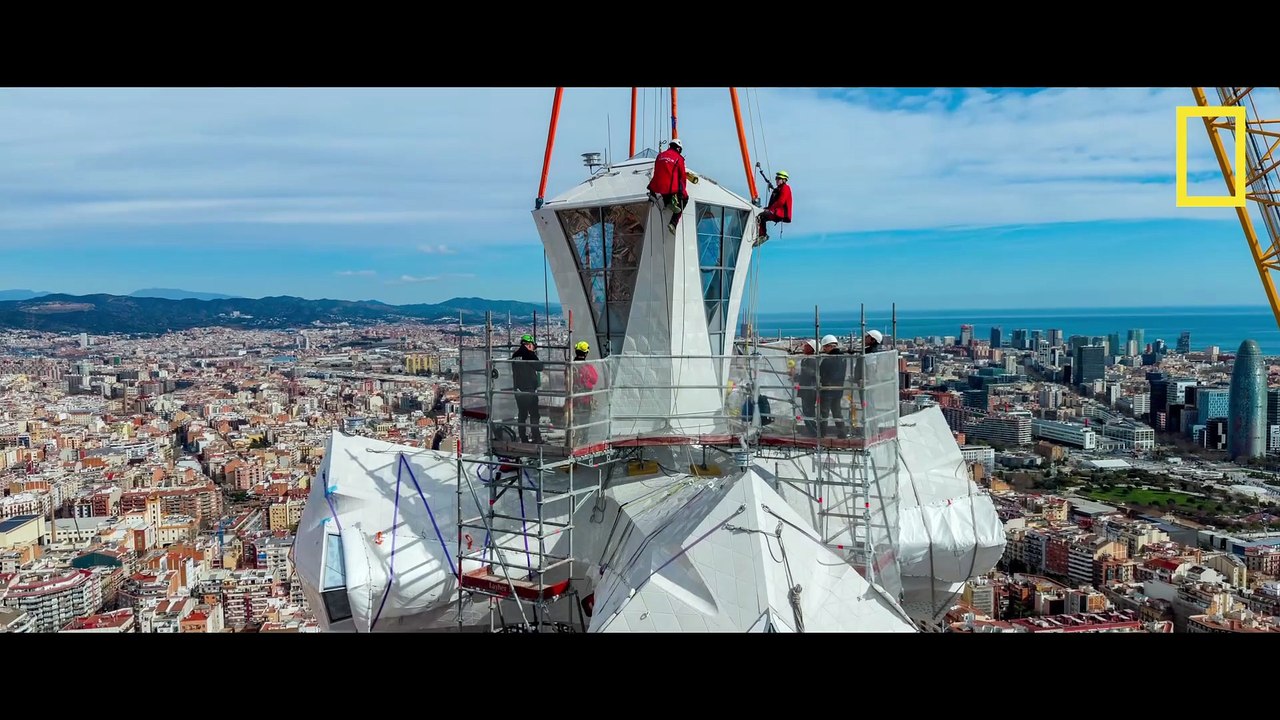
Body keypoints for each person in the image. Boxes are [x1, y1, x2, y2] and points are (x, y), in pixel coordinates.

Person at [647, 138, 698, 234]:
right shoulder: (679, 158)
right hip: (669, 188)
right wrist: (682, 192)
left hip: (657, 187)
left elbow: (657, 171)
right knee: (684, 199)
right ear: (679, 149)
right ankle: (673, 223)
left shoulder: (659, 156)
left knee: (666, 192)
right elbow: (682, 177)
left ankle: (668, 203)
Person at [511, 334, 544, 444]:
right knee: (534, 415)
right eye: (532, 345)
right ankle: (537, 438)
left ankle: (523, 438)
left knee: (522, 415)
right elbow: (540, 367)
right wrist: (532, 354)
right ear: (529, 345)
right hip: (529, 389)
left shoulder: (515, 355)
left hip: (518, 390)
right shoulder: (528, 354)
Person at [817, 334, 848, 439]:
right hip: (838, 389)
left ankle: (821, 433)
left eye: (825, 347)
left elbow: (820, 373)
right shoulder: (843, 358)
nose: (824, 349)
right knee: (837, 412)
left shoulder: (827, 360)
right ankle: (842, 433)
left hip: (827, 389)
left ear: (830, 346)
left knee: (824, 413)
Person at [570, 340, 599, 444]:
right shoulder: (587, 367)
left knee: (573, 422)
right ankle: (584, 441)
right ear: (586, 353)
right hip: (585, 399)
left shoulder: (571, 366)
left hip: (573, 399)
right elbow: (594, 379)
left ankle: (573, 441)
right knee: (585, 421)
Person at [790, 339, 819, 437]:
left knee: (808, 411)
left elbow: (809, 374)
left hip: (809, 390)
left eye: (806, 346)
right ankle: (811, 430)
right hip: (807, 389)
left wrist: (796, 375)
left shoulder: (811, 360)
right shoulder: (806, 360)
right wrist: (795, 376)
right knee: (807, 411)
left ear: (811, 349)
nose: (804, 347)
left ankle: (813, 431)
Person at [755, 170, 792, 246]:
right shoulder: (778, 189)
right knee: (761, 216)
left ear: (784, 180)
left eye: (779, 178)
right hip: (776, 211)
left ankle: (763, 235)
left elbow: (781, 201)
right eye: (776, 178)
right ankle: (761, 234)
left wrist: (770, 209)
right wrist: (767, 208)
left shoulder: (786, 188)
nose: (777, 180)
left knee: (761, 216)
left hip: (779, 213)